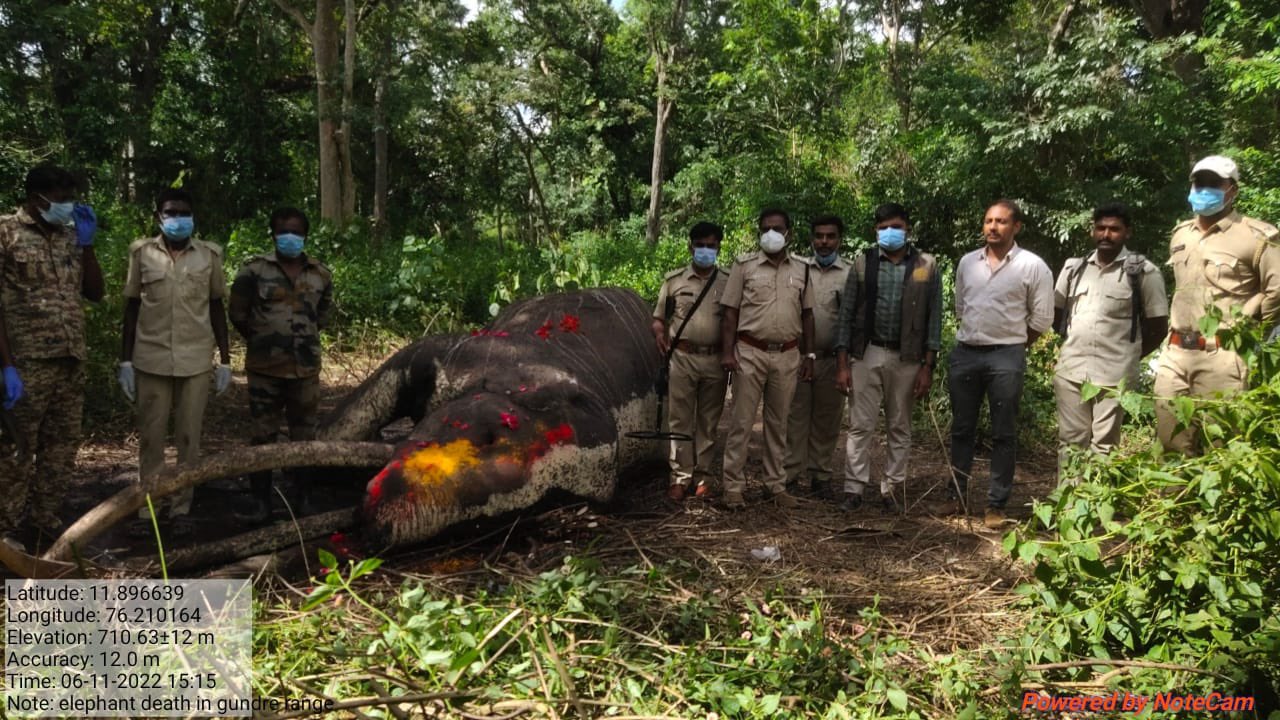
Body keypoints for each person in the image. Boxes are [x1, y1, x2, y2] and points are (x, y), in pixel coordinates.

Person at [0, 165, 104, 545]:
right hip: (26, 362)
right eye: (61, 200)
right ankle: (6, 530)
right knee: (15, 449)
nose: (67, 206)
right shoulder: (6, 233)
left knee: (61, 447)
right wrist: (6, 365)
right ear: (36, 198)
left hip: (70, 358)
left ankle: (44, 520)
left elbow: (94, 292)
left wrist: (87, 244)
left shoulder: (69, 237)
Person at [120, 188, 232, 525]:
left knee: (188, 437)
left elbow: (215, 307)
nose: (178, 219)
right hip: (150, 359)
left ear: (193, 216)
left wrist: (225, 361)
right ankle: (148, 506)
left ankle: (182, 505)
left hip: (195, 359)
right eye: (171, 213)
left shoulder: (209, 256)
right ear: (159, 216)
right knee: (151, 437)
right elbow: (132, 307)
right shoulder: (141, 253)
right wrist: (124, 361)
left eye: (184, 212)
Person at [1155, 155, 1280, 454]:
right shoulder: (1181, 234)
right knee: (1171, 447)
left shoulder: (1258, 236)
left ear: (1232, 190)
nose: (1204, 189)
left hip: (1224, 355)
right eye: (1199, 183)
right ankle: (1175, 502)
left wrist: (1251, 336)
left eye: (1214, 184)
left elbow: (1275, 291)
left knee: (1221, 449)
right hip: (1175, 353)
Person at [945, 200, 1053, 529]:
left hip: (1006, 355)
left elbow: (1041, 319)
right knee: (962, 428)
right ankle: (956, 497)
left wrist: (1012, 345)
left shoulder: (1032, 266)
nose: (993, 227)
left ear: (1016, 227)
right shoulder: (967, 263)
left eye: (1002, 221)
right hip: (966, 352)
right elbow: (962, 306)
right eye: (989, 221)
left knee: (1003, 431)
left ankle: (996, 504)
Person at [834, 203, 942, 513]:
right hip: (866, 352)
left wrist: (928, 365)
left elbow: (934, 317)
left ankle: (891, 489)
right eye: (882, 228)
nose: (888, 232)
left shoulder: (926, 265)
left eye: (894, 226)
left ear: (907, 228)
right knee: (859, 425)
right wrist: (842, 363)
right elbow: (846, 315)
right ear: (875, 231)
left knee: (900, 425)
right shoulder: (862, 263)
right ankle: (854, 489)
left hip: (907, 357)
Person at [228, 207, 333, 521]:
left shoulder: (320, 274)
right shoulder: (253, 271)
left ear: (305, 235)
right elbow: (238, 314)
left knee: (305, 436)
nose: (291, 237)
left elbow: (322, 316)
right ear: (273, 234)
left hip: (305, 369)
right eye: (284, 231)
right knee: (263, 437)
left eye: (297, 232)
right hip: (265, 370)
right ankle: (261, 503)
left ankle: (303, 500)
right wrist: (264, 340)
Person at [1053, 203, 1167, 466]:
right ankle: (1068, 505)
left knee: (1104, 446)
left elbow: (1158, 326)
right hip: (1071, 371)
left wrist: (1128, 356)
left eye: (1114, 229)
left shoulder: (1144, 273)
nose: (1106, 234)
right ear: (1092, 231)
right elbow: (1057, 316)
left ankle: (1097, 505)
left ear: (1127, 232)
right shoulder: (1074, 269)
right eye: (1100, 228)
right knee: (1070, 442)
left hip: (1115, 376)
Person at [719, 208, 815, 509]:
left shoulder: (802, 269)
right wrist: (727, 352)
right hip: (750, 351)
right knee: (742, 421)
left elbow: (808, 313)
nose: (770, 233)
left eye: (776, 228)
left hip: (787, 354)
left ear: (789, 233)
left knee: (779, 423)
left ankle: (775, 485)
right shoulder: (744, 266)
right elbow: (730, 310)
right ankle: (733, 486)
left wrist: (809, 354)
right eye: (765, 229)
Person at [651, 222, 729, 501]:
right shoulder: (674, 281)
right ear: (690, 246)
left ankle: (704, 476)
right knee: (680, 419)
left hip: (716, 359)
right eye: (700, 245)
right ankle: (680, 477)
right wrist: (660, 333)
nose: (705, 250)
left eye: (711, 245)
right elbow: (659, 318)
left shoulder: (728, 281)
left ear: (719, 247)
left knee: (709, 421)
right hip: (682, 358)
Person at [784, 215, 851, 496]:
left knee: (827, 419)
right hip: (798, 358)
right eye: (819, 236)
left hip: (831, 359)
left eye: (830, 236)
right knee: (794, 416)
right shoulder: (798, 269)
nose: (824, 242)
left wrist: (844, 364)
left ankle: (820, 475)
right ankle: (789, 475)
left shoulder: (850, 273)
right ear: (811, 238)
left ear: (839, 239)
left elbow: (852, 320)